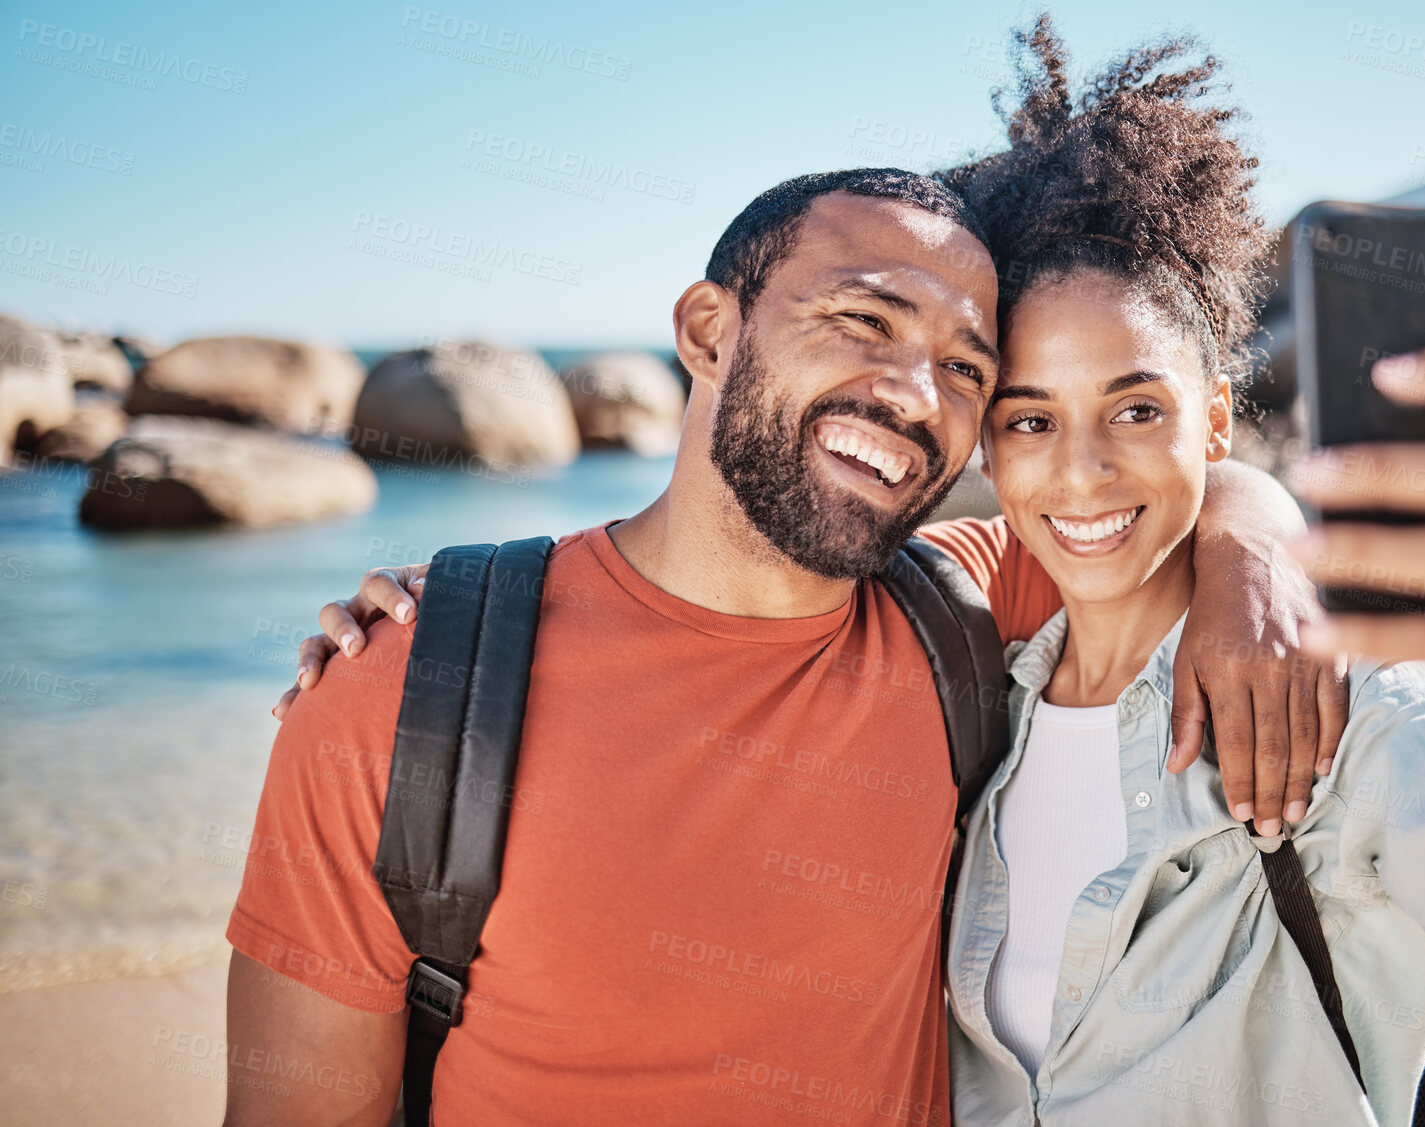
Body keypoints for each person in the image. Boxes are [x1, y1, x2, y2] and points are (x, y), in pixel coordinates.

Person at [226, 166, 1344, 1123]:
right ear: (710, 331)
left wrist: (1256, 561)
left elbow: (1173, 482)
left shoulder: (957, 607)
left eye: (967, 368)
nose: (916, 396)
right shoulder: (411, 692)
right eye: (864, 321)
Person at [923, 21, 1425, 1126]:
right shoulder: (986, 714)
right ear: (987, 446)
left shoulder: (1344, 709)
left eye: (1136, 407)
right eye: (1031, 419)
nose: (1080, 471)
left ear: (1215, 418)